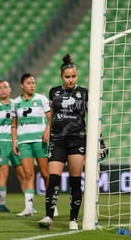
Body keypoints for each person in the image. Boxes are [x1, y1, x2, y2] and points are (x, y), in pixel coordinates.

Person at [38, 54, 88, 231]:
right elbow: (51, 114)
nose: (71, 80)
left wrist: (100, 139)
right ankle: (48, 217)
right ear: (62, 77)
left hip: (77, 139)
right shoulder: (54, 92)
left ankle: (73, 219)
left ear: (77, 75)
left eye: (73, 76)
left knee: (75, 181)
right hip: (57, 139)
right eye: (67, 77)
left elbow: (94, 116)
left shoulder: (85, 93)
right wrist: (46, 129)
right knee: (53, 179)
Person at [11, 74, 51, 217]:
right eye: (29, 83)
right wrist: (14, 141)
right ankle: (28, 208)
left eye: (33, 82)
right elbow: (14, 124)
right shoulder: (15, 102)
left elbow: (51, 119)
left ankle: (51, 205)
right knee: (29, 175)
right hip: (23, 142)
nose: (32, 85)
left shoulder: (41, 99)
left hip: (40, 141)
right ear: (22, 85)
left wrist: (47, 130)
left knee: (46, 175)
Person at [0, 80, 26, 213]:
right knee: (4, 174)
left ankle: (28, 204)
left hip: (15, 142)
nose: (3, 89)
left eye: (5, 87)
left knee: (23, 174)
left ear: (9, 89)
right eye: (0, 88)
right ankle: (2, 204)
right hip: (1, 142)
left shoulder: (16, 104)